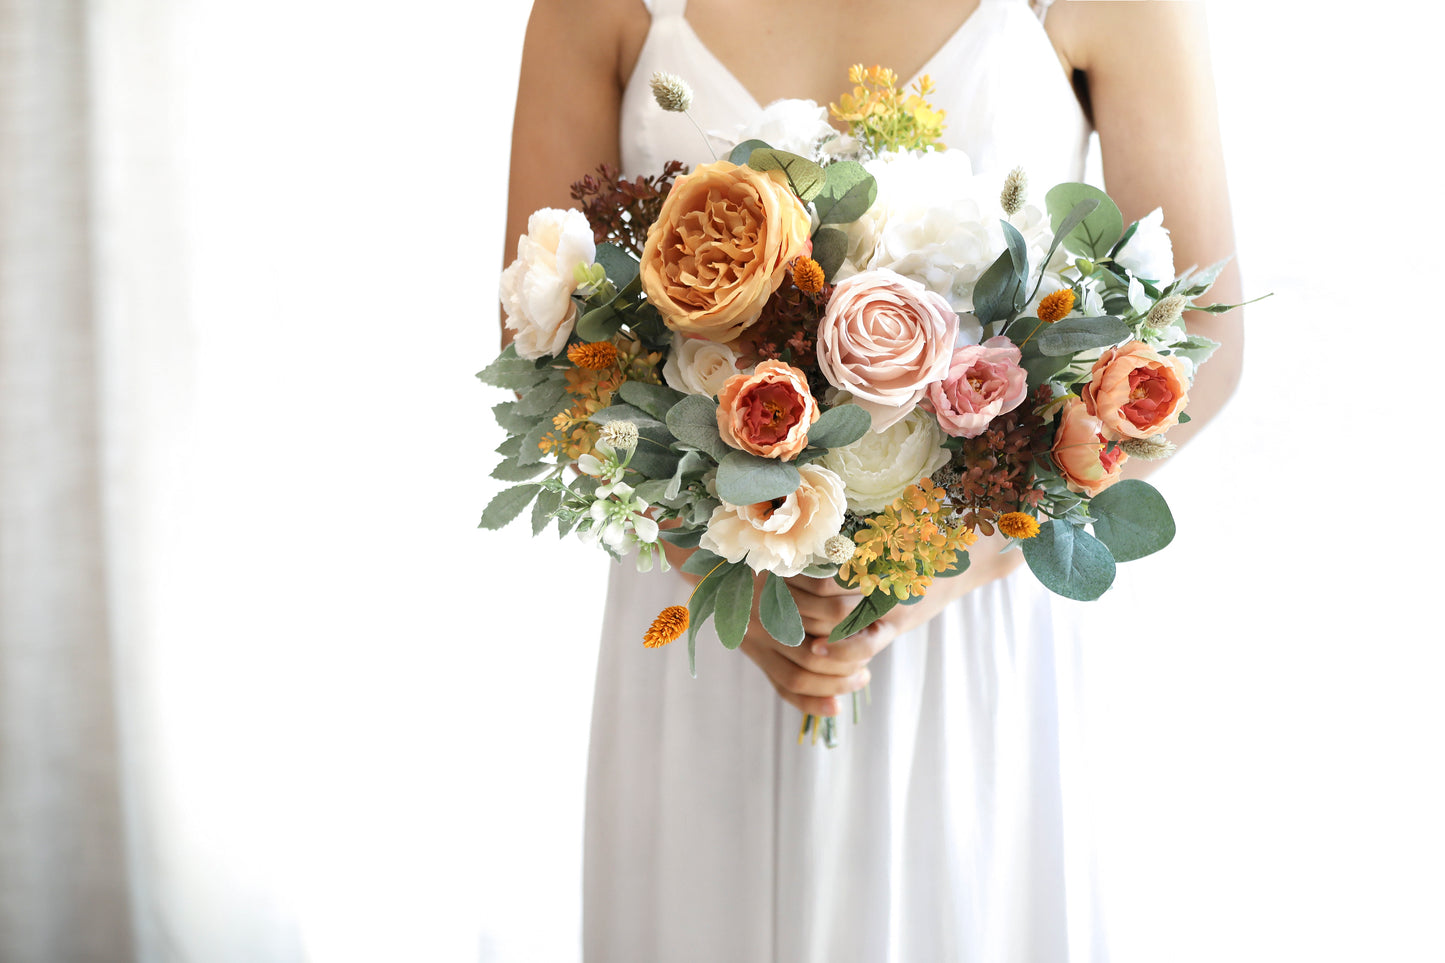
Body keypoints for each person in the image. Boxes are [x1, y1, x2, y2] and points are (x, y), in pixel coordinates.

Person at [504, 0, 1243, 959]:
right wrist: (721, 568)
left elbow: (1203, 339)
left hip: (976, 613)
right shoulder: (592, 12)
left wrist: (950, 566)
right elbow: (545, 337)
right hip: (711, 627)